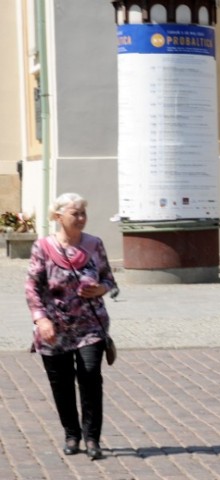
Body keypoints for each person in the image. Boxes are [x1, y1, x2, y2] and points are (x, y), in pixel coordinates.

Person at [25, 193, 117, 460]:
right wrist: (41, 319)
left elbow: (109, 278)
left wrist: (102, 288)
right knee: (61, 383)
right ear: (58, 217)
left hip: (90, 325)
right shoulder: (42, 247)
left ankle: (92, 438)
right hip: (54, 327)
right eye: (75, 213)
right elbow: (32, 286)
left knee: (90, 377)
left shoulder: (94, 244)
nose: (81, 218)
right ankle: (72, 435)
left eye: (83, 213)